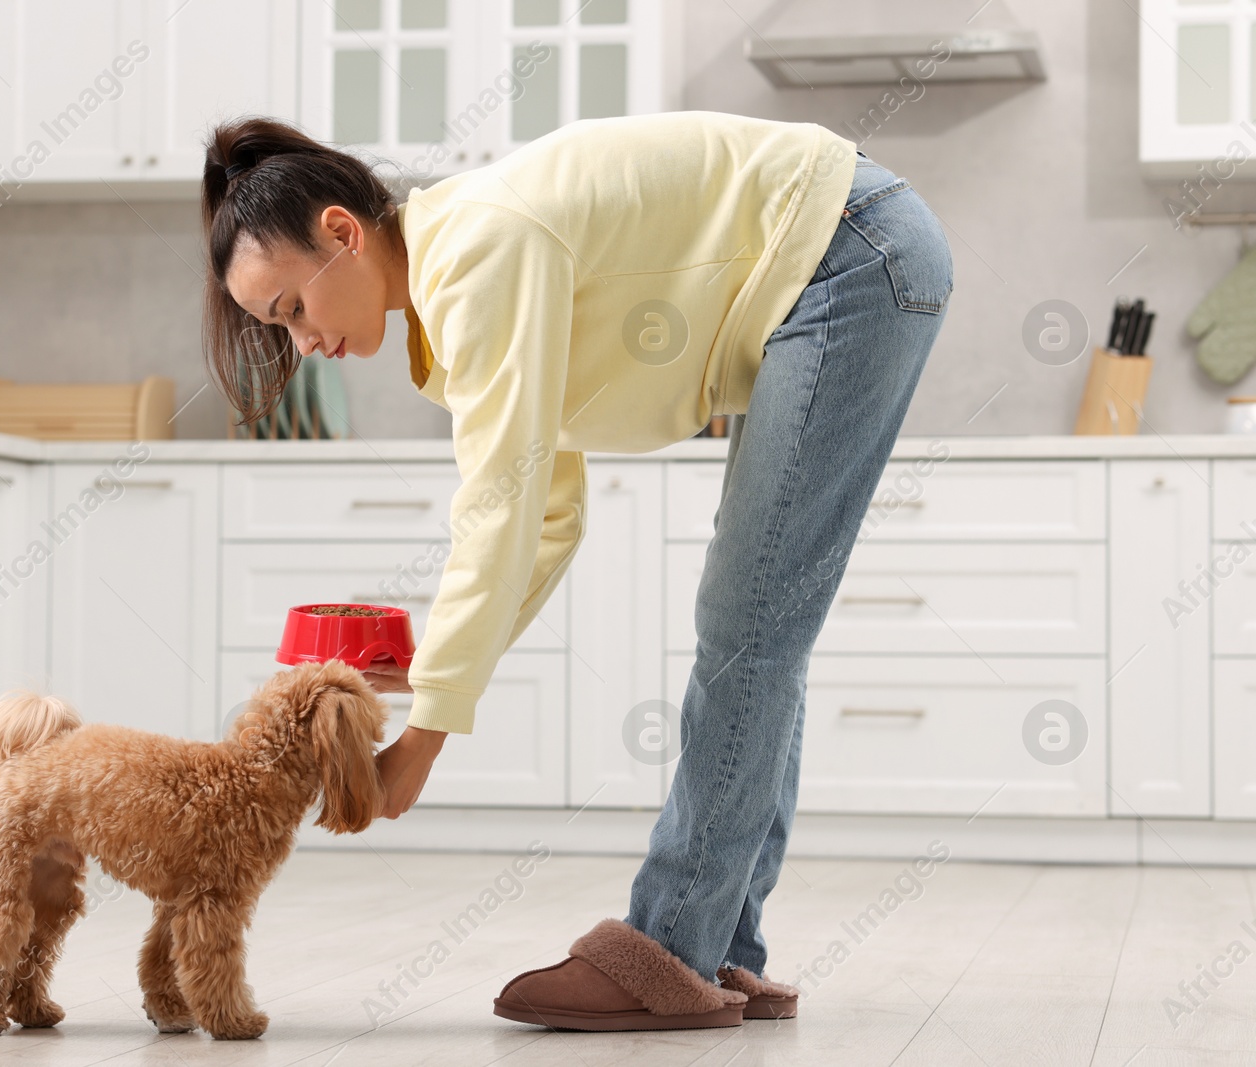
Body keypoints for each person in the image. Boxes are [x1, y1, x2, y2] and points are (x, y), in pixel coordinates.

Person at [199, 110, 951, 1030]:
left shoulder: (478, 251)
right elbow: (549, 517)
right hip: (835, 253)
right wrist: (438, 662)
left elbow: (499, 511)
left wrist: (425, 738)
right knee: (760, 621)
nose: (303, 343)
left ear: (341, 233)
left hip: (846, 250)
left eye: (292, 311)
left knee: (751, 616)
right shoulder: (454, 296)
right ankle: (716, 945)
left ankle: (670, 948)